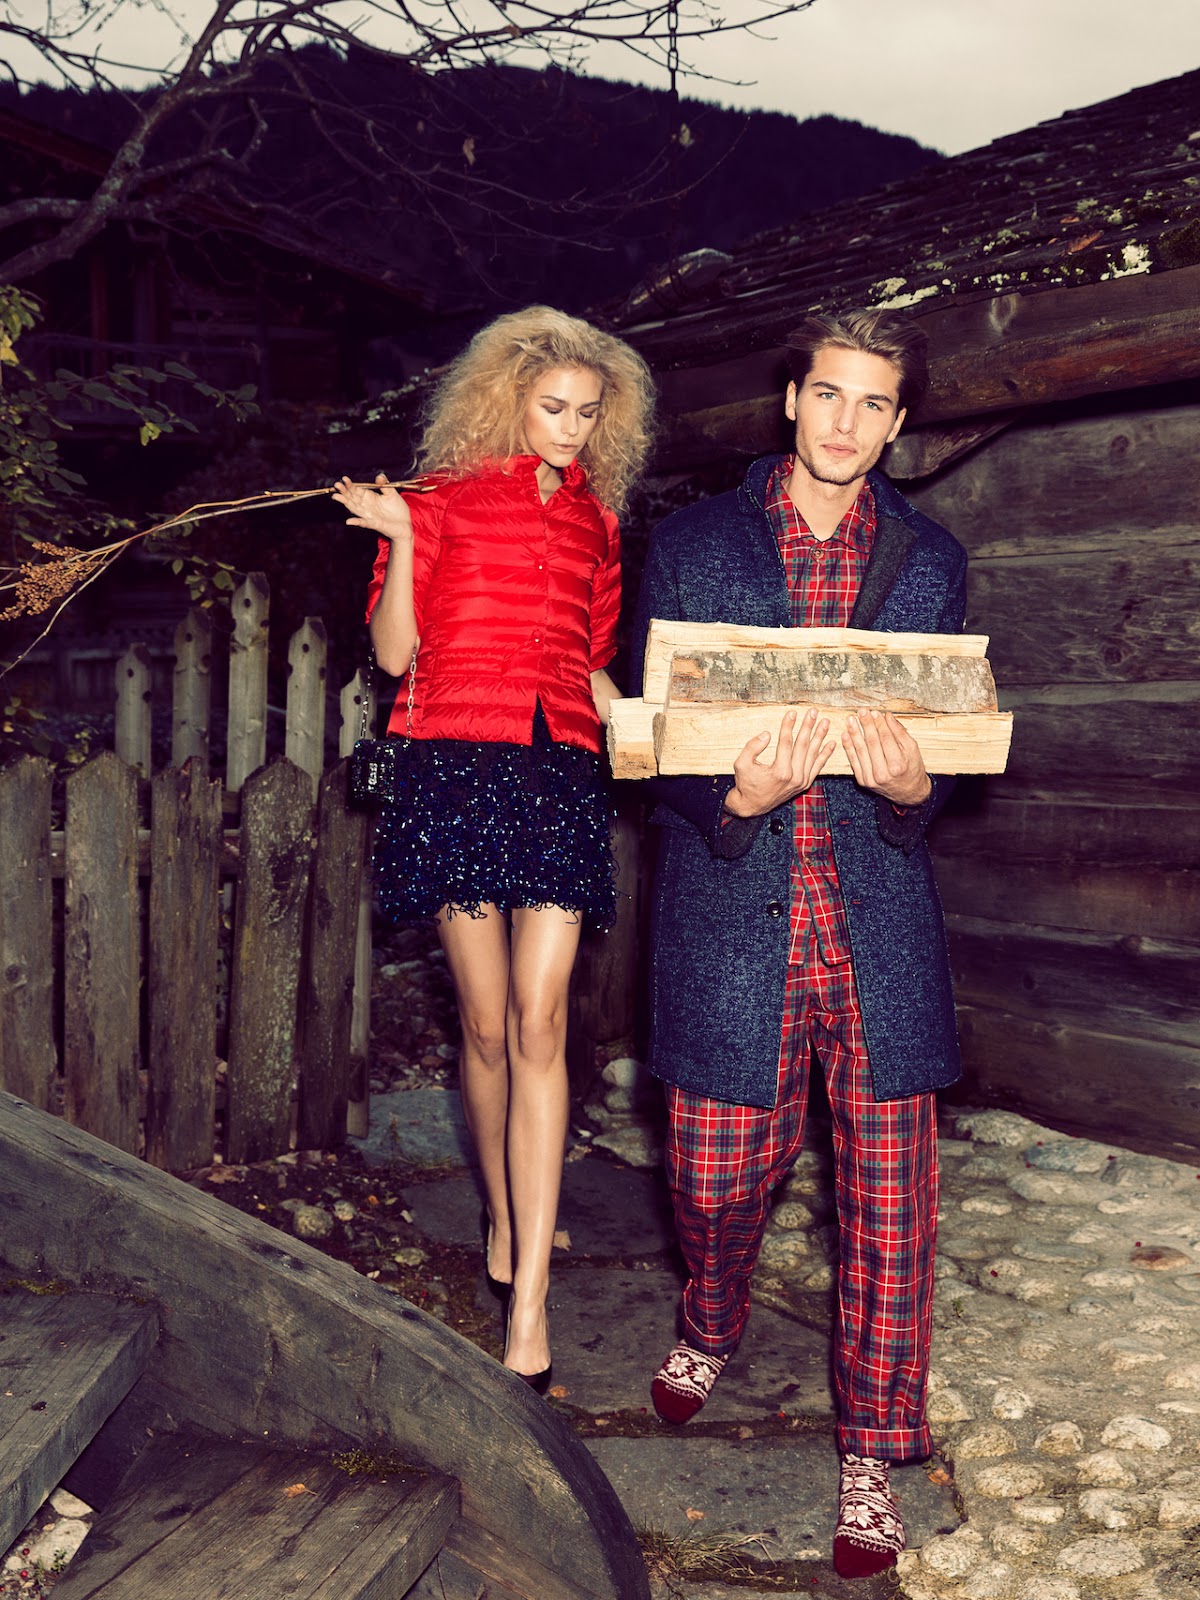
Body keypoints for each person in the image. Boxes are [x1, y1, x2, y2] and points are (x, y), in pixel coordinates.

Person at [630, 308, 967, 1578]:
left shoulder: (931, 559)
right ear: (791, 398)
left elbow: (951, 740)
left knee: (890, 1212)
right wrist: (734, 797)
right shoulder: (691, 545)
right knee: (713, 1183)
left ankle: (874, 1451)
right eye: (829, 393)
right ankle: (712, 1309)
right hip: (735, 922)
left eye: (874, 403)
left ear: (897, 421)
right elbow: (649, 742)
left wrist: (914, 788)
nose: (846, 422)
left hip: (877, 931)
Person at [333, 307, 655, 1391]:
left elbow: (589, 661)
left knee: (540, 1018)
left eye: (588, 414)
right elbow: (395, 655)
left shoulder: (596, 523)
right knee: (481, 1023)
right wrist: (404, 540)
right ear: (506, 399)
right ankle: (507, 1219)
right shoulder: (435, 502)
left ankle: (530, 1306)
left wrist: (649, 722)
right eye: (552, 407)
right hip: (453, 768)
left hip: (558, 771)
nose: (569, 428)